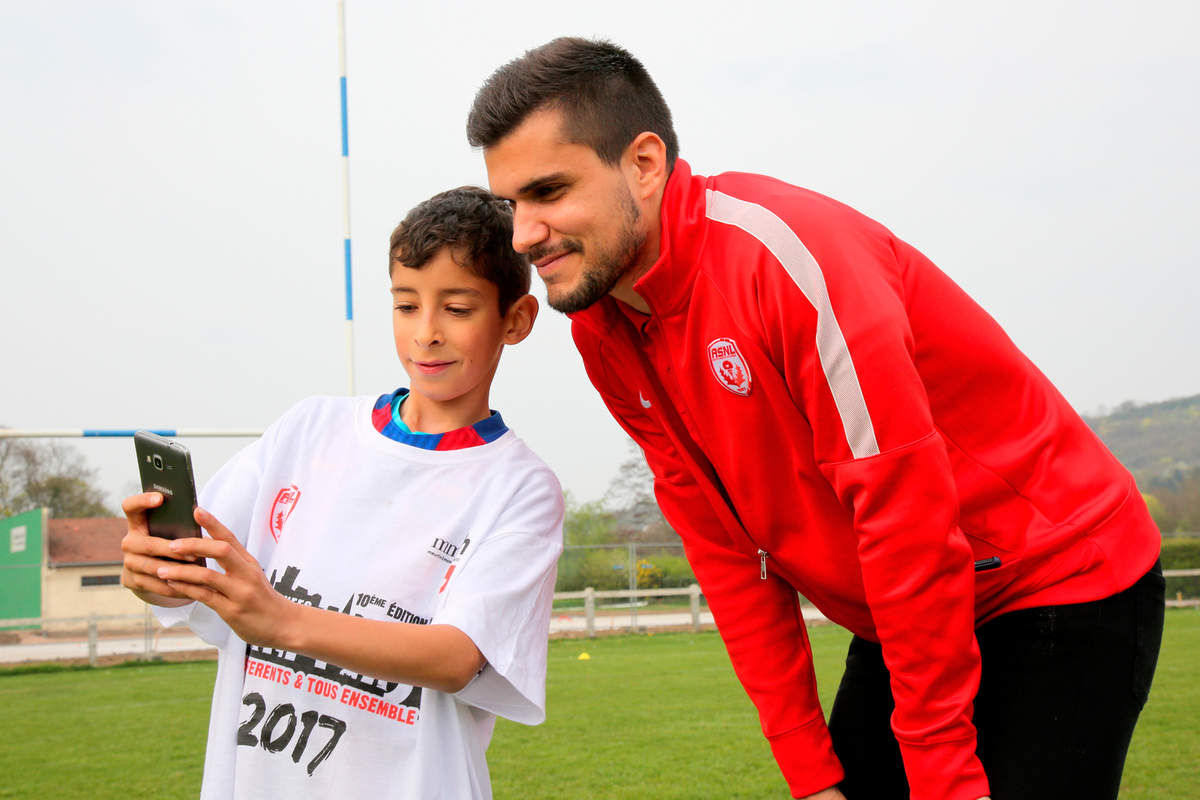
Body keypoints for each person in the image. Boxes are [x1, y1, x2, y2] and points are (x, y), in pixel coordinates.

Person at [466, 38, 1164, 800]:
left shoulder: (791, 261)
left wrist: (940, 776)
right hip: (901, 611)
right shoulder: (604, 329)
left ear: (644, 162)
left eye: (548, 191)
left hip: (1055, 581)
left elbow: (910, 527)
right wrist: (809, 770)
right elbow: (727, 548)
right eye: (511, 204)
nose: (523, 233)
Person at [120, 186, 564, 800]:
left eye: (457, 309)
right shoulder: (309, 429)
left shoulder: (521, 488)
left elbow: (457, 657)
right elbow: (197, 568)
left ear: (514, 320)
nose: (426, 332)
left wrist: (280, 620)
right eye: (406, 305)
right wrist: (155, 570)